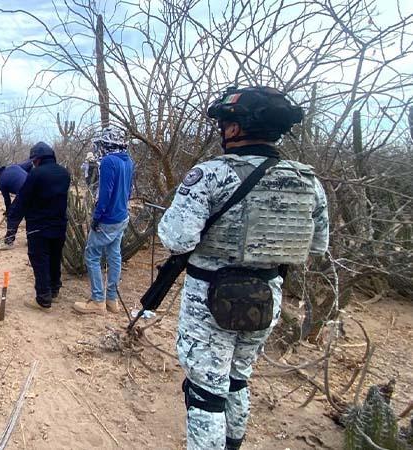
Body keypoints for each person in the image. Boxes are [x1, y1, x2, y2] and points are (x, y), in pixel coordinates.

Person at [158, 86, 329, 450]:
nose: (222, 128)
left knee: (206, 394)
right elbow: (316, 245)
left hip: (210, 300)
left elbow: (177, 239)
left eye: (225, 121)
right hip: (266, 297)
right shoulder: (308, 181)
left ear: (236, 128)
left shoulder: (211, 174)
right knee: (237, 381)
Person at [73, 127, 135, 315]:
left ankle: (98, 301)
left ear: (107, 144)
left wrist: (97, 217)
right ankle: (112, 300)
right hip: (122, 216)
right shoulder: (128, 160)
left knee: (92, 255)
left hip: (108, 218)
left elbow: (105, 193)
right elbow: (129, 190)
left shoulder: (109, 161)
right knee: (114, 256)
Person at [5, 142, 71, 310]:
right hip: (59, 225)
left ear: (38, 159)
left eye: (34, 160)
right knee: (55, 258)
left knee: (40, 260)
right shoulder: (64, 173)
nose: (33, 163)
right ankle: (54, 290)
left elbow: (23, 200)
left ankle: (43, 299)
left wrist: (11, 221)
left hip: (39, 227)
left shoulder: (36, 174)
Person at [0, 162, 28, 250]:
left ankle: (8, 242)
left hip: (24, 193)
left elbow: (7, 199)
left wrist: (8, 212)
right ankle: (32, 239)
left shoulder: (1, 181)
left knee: (12, 216)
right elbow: (28, 165)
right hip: (36, 188)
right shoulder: (14, 167)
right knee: (30, 215)